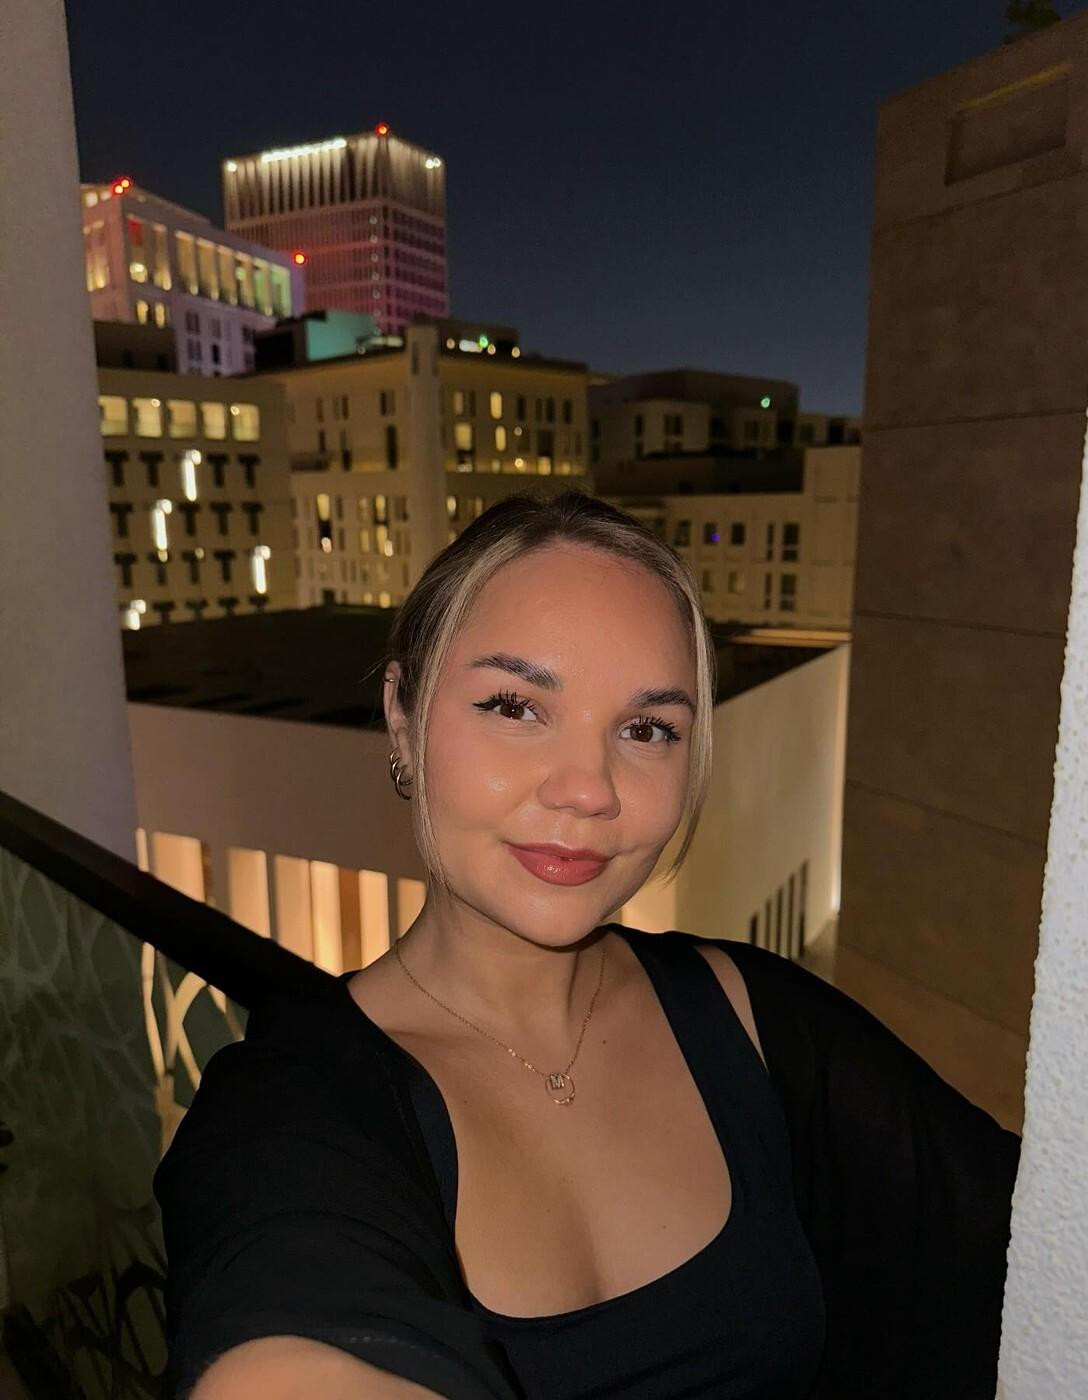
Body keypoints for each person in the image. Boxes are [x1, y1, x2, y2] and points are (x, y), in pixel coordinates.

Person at [155, 492, 1020, 1400]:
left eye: (646, 730)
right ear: (402, 717)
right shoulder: (291, 1106)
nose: (587, 789)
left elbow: (1033, 1229)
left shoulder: (761, 1019)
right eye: (515, 705)